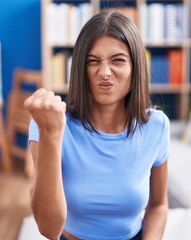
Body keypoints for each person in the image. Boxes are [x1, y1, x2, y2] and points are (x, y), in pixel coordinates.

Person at [25, 9, 170, 240]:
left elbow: (159, 205)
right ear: (81, 69)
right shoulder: (49, 125)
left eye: (118, 60)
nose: (104, 73)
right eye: (93, 61)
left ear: (135, 67)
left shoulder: (157, 126)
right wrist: (51, 135)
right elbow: (49, 228)